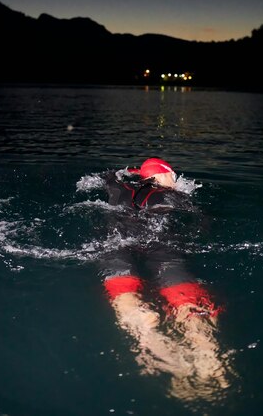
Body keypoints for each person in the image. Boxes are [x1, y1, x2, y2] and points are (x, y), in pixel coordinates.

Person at [81, 157, 233, 401]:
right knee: (185, 296)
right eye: (172, 175)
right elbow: (199, 223)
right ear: (161, 176)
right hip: (158, 243)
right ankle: (208, 361)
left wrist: (124, 172)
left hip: (114, 239)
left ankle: (140, 321)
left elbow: (107, 175)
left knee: (123, 293)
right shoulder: (168, 194)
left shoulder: (119, 187)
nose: (175, 180)